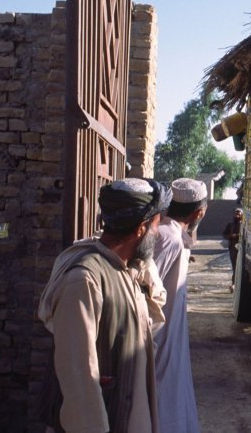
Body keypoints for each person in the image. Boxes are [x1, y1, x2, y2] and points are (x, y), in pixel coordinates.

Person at [38, 178, 172, 433]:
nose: (157, 234)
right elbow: (79, 377)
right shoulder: (83, 280)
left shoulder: (127, 269)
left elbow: (150, 320)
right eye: (156, 226)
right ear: (141, 229)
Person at [153, 178, 207, 433]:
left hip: (170, 335)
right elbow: (144, 289)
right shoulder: (167, 237)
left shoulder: (174, 234)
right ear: (199, 212)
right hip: (158, 337)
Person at [223, 207, 243, 290]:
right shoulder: (230, 224)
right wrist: (230, 236)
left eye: (239, 214)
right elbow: (224, 234)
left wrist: (238, 235)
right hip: (232, 248)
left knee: (240, 267)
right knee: (235, 266)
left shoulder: (244, 224)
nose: (237, 215)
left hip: (241, 248)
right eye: (236, 214)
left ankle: (237, 284)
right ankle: (234, 283)